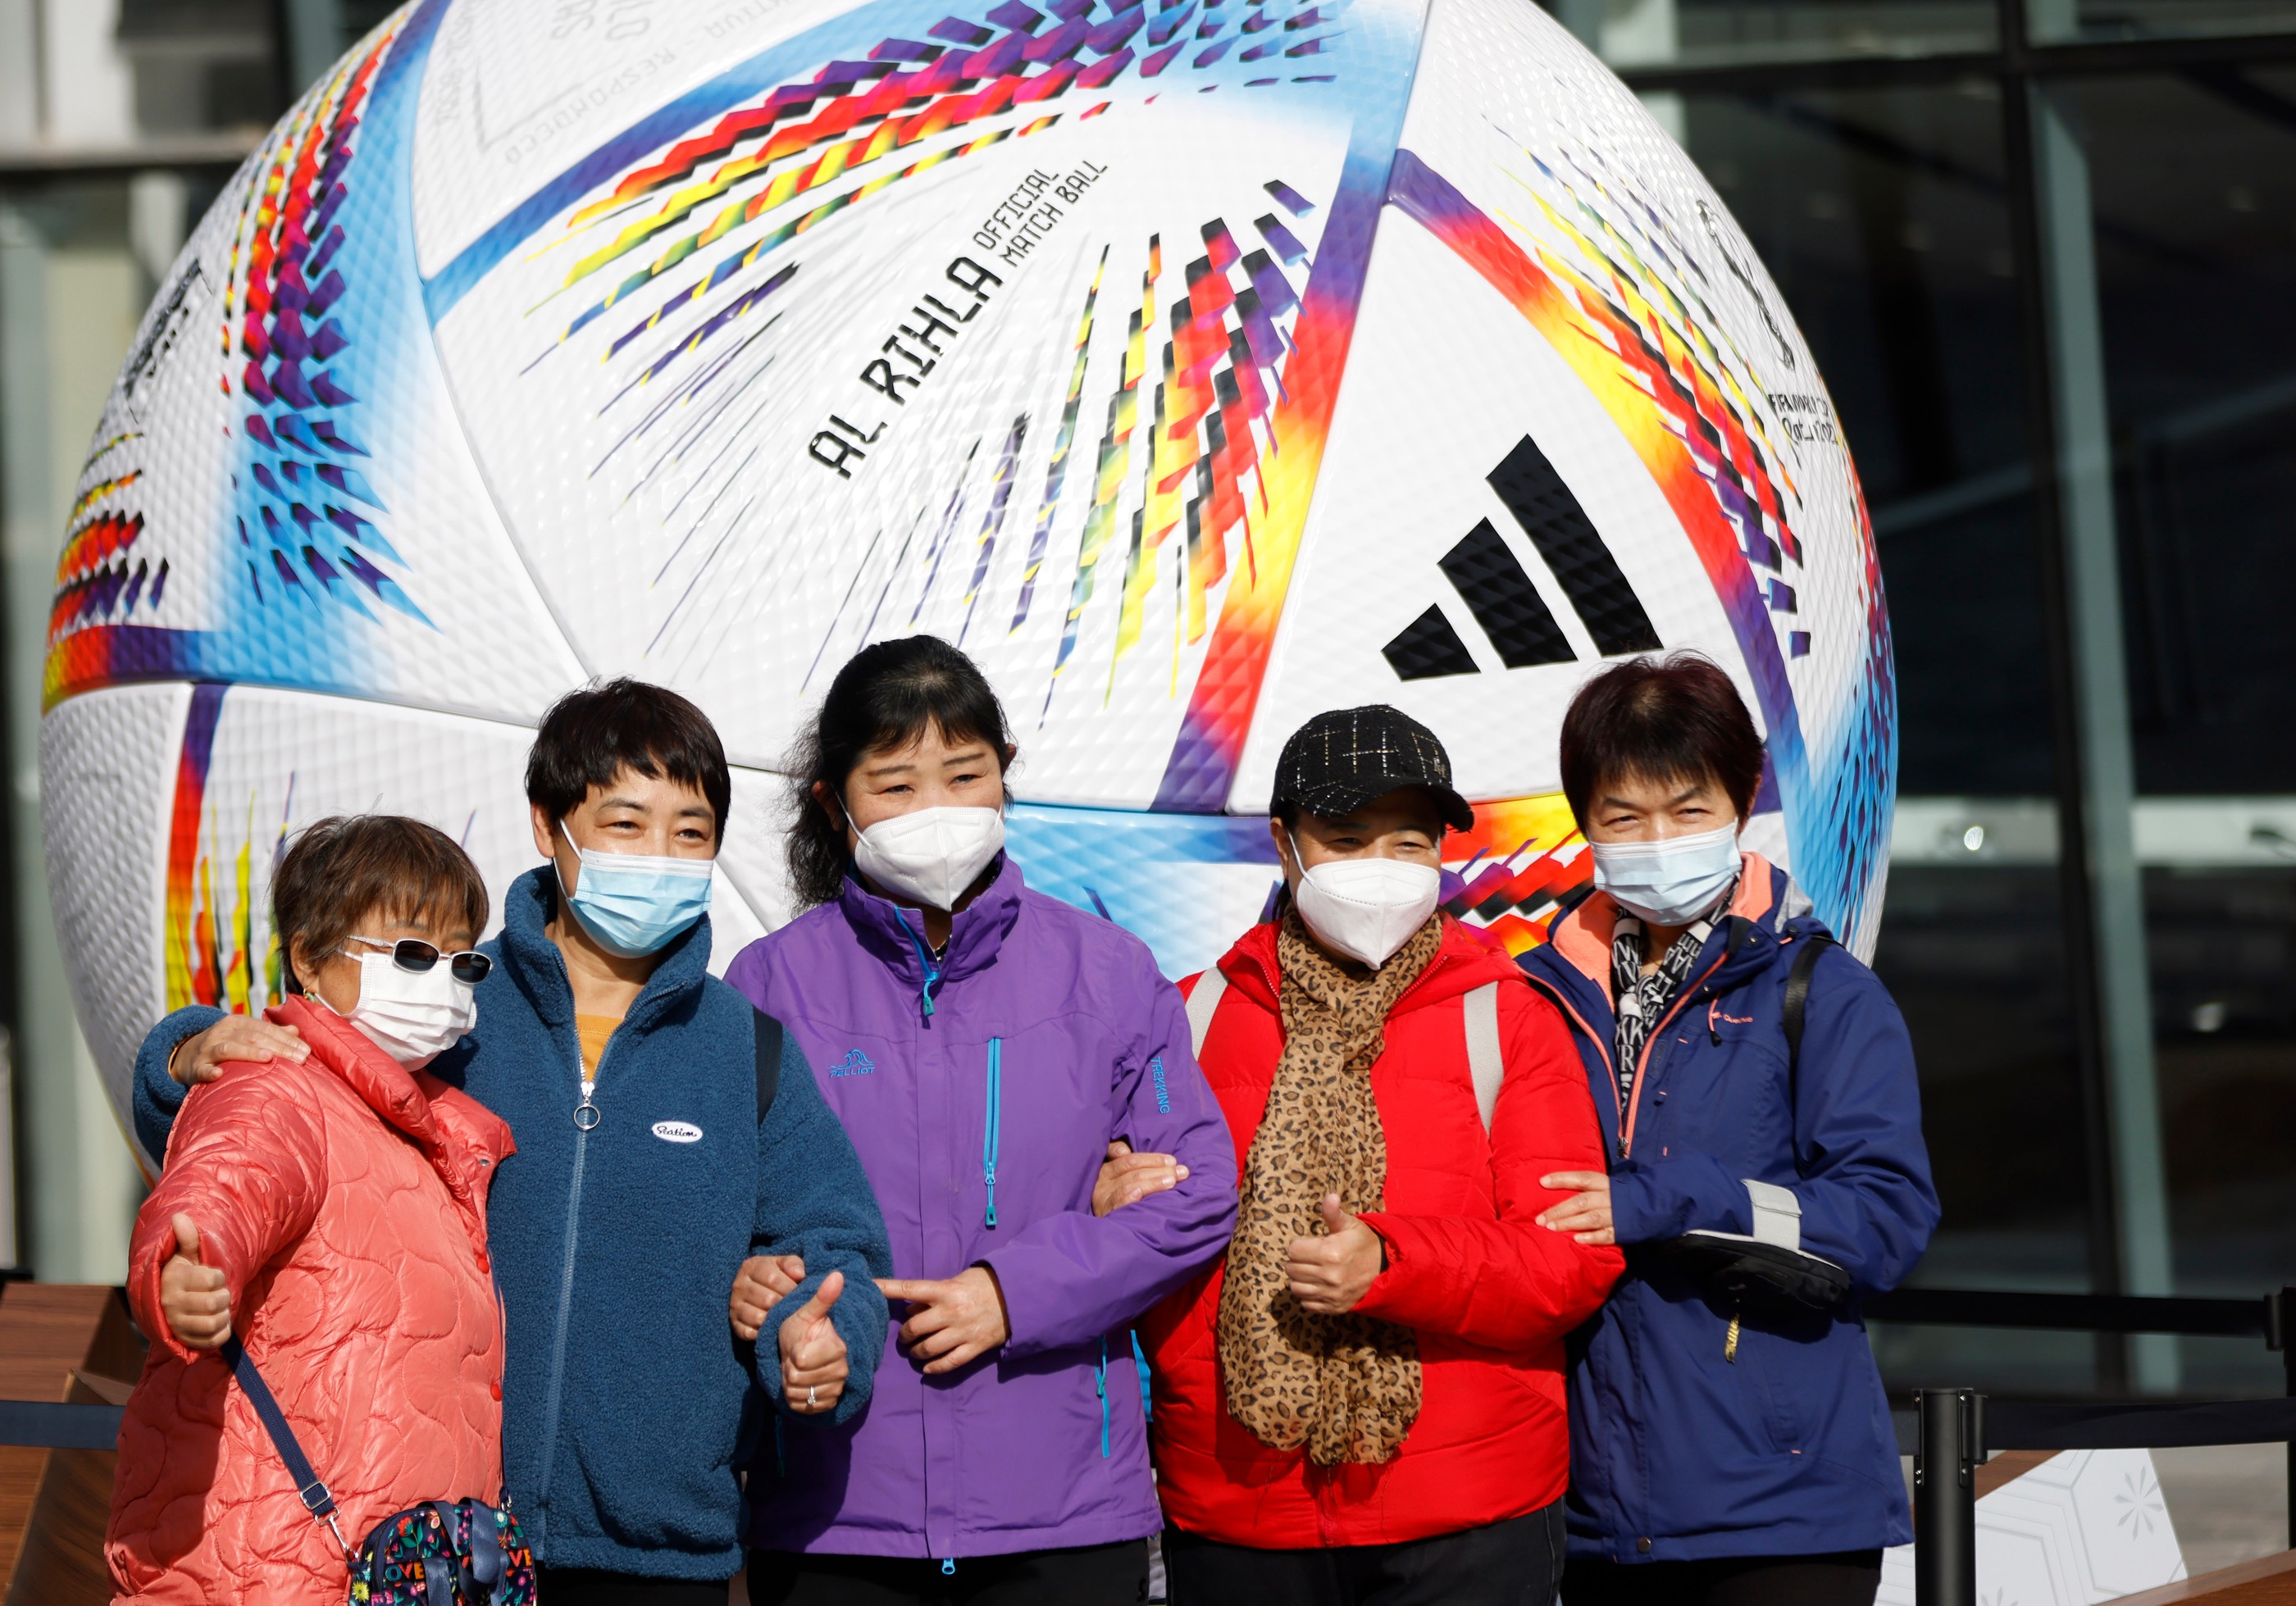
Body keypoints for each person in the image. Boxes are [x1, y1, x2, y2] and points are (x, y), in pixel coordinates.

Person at [134, 680, 891, 1604]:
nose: (659, 855)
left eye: (690, 832)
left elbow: (832, 1240)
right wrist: (181, 1047)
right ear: (548, 825)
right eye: (624, 822)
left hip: (664, 1552)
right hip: (448, 1545)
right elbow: (280, 1097)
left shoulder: (746, 1049)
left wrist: (817, 1337)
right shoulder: (448, 1008)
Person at [722, 634, 1237, 1606]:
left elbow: (1201, 1191)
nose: (938, 813)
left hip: (1063, 1505)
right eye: (897, 786)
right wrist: (759, 1289)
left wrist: (1016, 1293)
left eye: (966, 775)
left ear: (1005, 779)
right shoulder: (769, 984)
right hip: (836, 1512)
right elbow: (725, 1212)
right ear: (836, 805)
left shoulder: (1108, 972)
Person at [1096, 704, 1623, 1604]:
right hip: (1238, 1508)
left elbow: (1570, 1261)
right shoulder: (1188, 1015)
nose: (1381, 869)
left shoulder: (1508, 1015)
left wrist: (1393, 1261)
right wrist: (1111, 1213)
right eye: (1346, 838)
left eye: (1410, 842)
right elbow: (1121, 1251)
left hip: (1469, 1516)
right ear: (1284, 842)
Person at [1516, 653, 1938, 1605]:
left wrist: (1677, 1198)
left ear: (1742, 803)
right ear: (1584, 822)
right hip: (1588, 1506)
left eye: (1688, 809)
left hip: (1784, 1504)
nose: (1657, 841)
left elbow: (1885, 1222)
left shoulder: (1821, 991)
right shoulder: (1530, 997)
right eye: (1625, 816)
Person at [107, 814, 524, 1605]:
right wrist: (180, 1277)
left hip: (384, 1567)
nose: (438, 979)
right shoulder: (276, 1082)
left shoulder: (433, 1129)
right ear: (307, 957)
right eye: (408, 951)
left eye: (461, 959)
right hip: (268, 1566)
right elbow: (218, 1189)